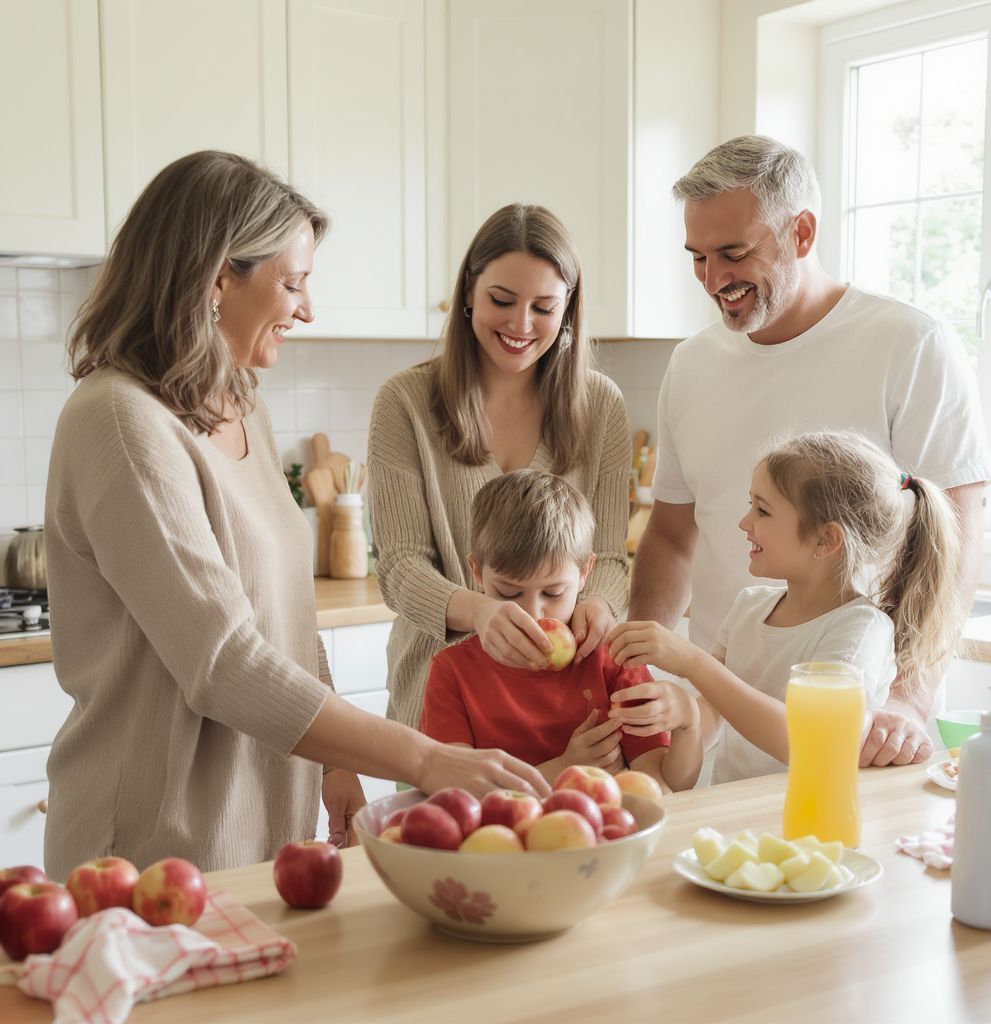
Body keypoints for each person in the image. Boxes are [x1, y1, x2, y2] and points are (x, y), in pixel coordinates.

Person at [43, 151, 546, 881]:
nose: (307, 309)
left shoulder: (239, 400)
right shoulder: (120, 420)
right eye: (293, 283)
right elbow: (222, 660)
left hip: (259, 831)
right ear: (218, 278)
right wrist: (424, 758)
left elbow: (287, 614)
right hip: (149, 844)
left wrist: (336, 763)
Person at [628, 135, 991, 768]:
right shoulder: (691, 365)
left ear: (801, 232)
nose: (712, 280)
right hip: (718, 728)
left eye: (733, 254)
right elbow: (671, 535)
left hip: (857, 732)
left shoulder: (908, 344)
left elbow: (952, 538)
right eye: (698, 258)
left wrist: (908, 700)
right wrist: (634, 667)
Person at [368, 203, 631, 732]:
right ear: (468, 292)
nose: (520, 324)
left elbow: (608, 559)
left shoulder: (602, 407)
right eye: (502, 300)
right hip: (437, 713)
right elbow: (400, 567)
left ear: (568, 307)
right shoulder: (405, 403)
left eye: (543, 307)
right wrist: (480, 612)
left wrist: (599, 606)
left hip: (557, 719)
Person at [608, 431, 960, 783]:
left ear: (826, 539)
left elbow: (810, 742)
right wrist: (685, 720)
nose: (744, 523)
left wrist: (692, 662)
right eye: (751, 505)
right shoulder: (748, 608)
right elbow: (704, 731)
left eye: (762, 510)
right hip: (736, 812)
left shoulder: (861, 628)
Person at [419, 470, 701, 791]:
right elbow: (453, 795)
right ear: (477, 572)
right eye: (509, 593)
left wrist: (689, 723)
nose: (532, 612)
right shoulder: (452, 672)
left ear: (584, 572)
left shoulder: (614, 660)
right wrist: (562, 769)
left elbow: (660, 785)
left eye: (553, 593)